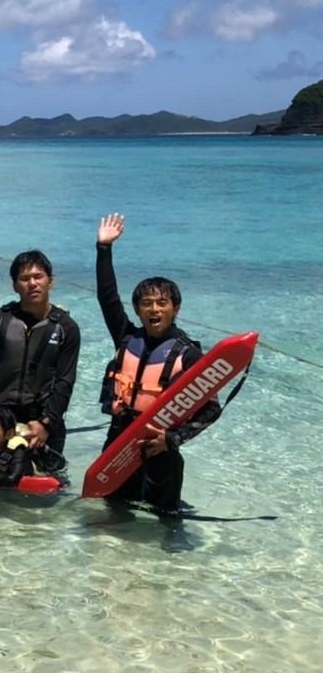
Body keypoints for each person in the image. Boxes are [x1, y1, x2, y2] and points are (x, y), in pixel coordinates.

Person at [94, 212, 220, 515]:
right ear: (137, 309)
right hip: (120, 441)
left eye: (162, 303)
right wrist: (103, 249)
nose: (154, 309)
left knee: (166, 521)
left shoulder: (188, 355)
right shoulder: (126, 337)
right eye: (147, 303)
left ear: (175, 308)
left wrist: (173, 439)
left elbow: (211, 408)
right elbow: (107, 297)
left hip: (161, 447)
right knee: (112, 511)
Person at [0, 250, 80, 466]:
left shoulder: (66, 328)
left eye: (38, 277)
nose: (32, 283)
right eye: (24, 278)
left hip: (41, 417)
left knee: (47, 483)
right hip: (1, 416)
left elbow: (65, 381)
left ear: (51, 281)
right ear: (14, 285)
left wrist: (46, 424)